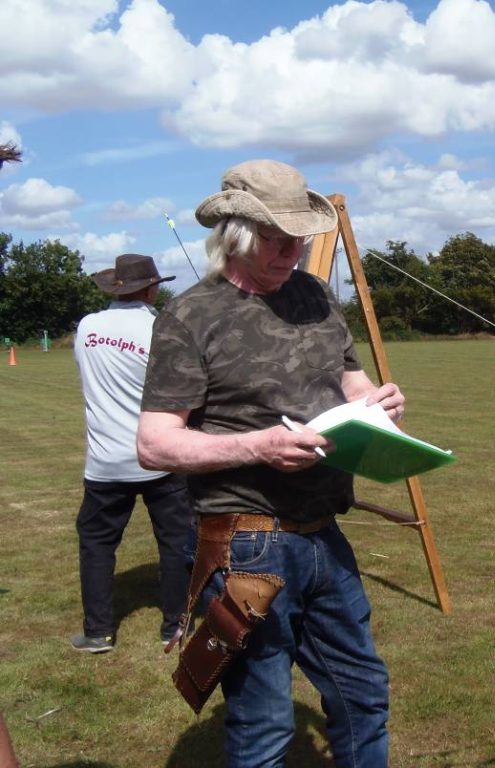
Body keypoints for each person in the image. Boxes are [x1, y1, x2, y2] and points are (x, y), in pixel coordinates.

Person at [136, 159, 404, 767]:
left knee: (363, 693)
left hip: (325, 536)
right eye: (276, 237)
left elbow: (351, 381)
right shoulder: (190, 315)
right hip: (247, 546)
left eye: (299, 236)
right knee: (264, 722)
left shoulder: (313, 294)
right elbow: (154, 443)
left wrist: (379, 403)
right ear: (234, 234)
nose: (293, 249)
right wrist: (256, 445)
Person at [72, 254, 192, 653]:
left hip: (105, 462)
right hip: (159, 454)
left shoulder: (88, 326)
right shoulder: (161, 328)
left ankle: (98, 631)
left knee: (97, 544)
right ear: (151, 288)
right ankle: (174, 625)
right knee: (175, 542)